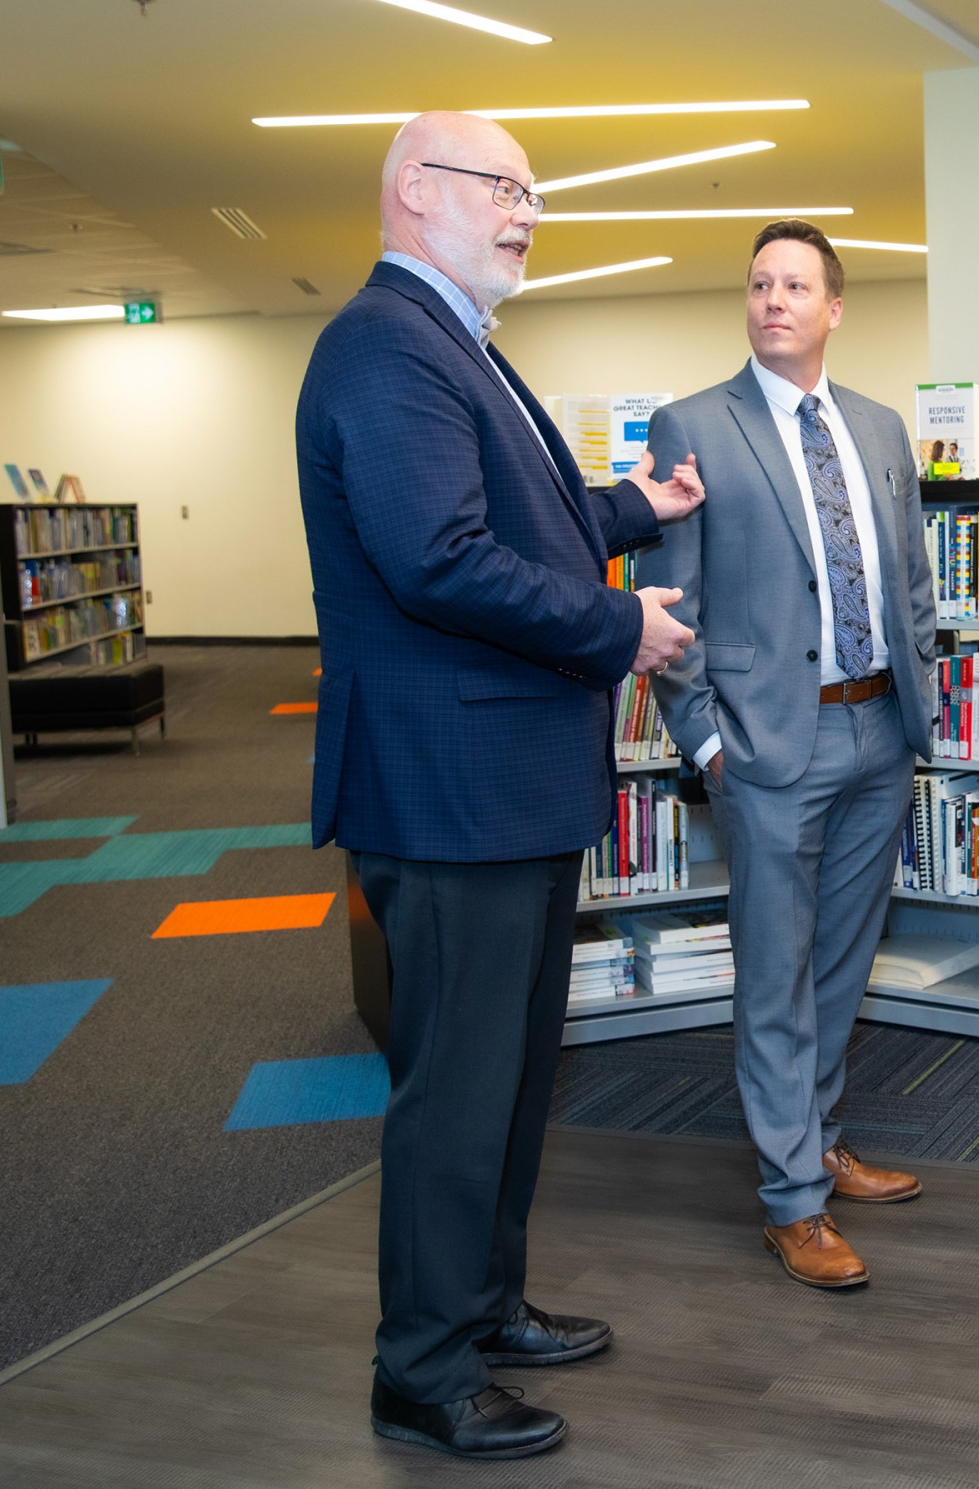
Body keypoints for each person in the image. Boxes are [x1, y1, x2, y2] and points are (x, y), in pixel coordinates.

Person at [295, 111, 702, 1460]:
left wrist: (637, 507)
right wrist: (618, 627)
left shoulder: (457, 344)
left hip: (503, 789)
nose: (529, 210)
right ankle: (419, 1367)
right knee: (457, 1093)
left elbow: (526, 513)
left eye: (536, 190)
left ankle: (483, 1305)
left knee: (514, 1080)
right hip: (447, 790)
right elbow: (442, 563)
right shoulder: (384, 349)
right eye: (505, 187)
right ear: (418, 191)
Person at [646, 221, 936, 1290]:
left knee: (839, 964)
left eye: (795, 284)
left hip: (876, 731)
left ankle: (814, 1140)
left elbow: (908, 584)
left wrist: (922, 704)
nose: (772, 299)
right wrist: (707, 738)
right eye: (759, 283)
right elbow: (672, 605)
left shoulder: (879, 428)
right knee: (773, 975)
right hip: (768, 742)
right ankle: (791, 1202)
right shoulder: (695, 425)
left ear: (833, 308)